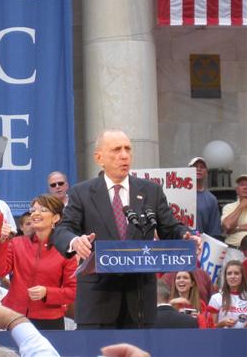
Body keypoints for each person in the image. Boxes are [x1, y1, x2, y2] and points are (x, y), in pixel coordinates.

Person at [52, 129, 199, 329]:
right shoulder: (82, 192)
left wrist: (186, 236)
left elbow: (171, 228)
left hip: (139, 300)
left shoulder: (150, 191)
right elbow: (63, 229)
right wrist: (75, 241)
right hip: (97, 300)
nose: (124, 155)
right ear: (99, 158)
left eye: (128, 149)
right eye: (116, 149)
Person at [0, 194, 77, 330]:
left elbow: (72, 292)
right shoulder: (16, 243)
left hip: (49, 320)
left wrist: (47, 292)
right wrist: (1, 241)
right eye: (33, 210)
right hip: (14, 316)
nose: (35, 214)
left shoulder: (65, 249)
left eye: (43, 210)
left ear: (56, 218)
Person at [188, 157, 222, 239]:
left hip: (200, 246)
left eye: (202, 167)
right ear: (188, 170)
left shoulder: (211, 199)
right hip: (177, 245)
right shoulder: (179, 193)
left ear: (206, 172)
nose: (198, 169)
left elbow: (214, 231)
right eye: (195, 166)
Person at [207, 260, 247, 328]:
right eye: (229, 273)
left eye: (236, 273)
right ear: (225, 277)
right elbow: (210, 328)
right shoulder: (216, 298)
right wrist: (223, 323)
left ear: (242, 276)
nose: (232, 276)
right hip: (222, 337)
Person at [221, 174, 247, 248]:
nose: (245, 187)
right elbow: (228, 225)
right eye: (242, 185)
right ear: (237, 190)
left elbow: (230, 229)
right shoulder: (228, 207)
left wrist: (237, 228)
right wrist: (241, 206)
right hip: (234, 250)